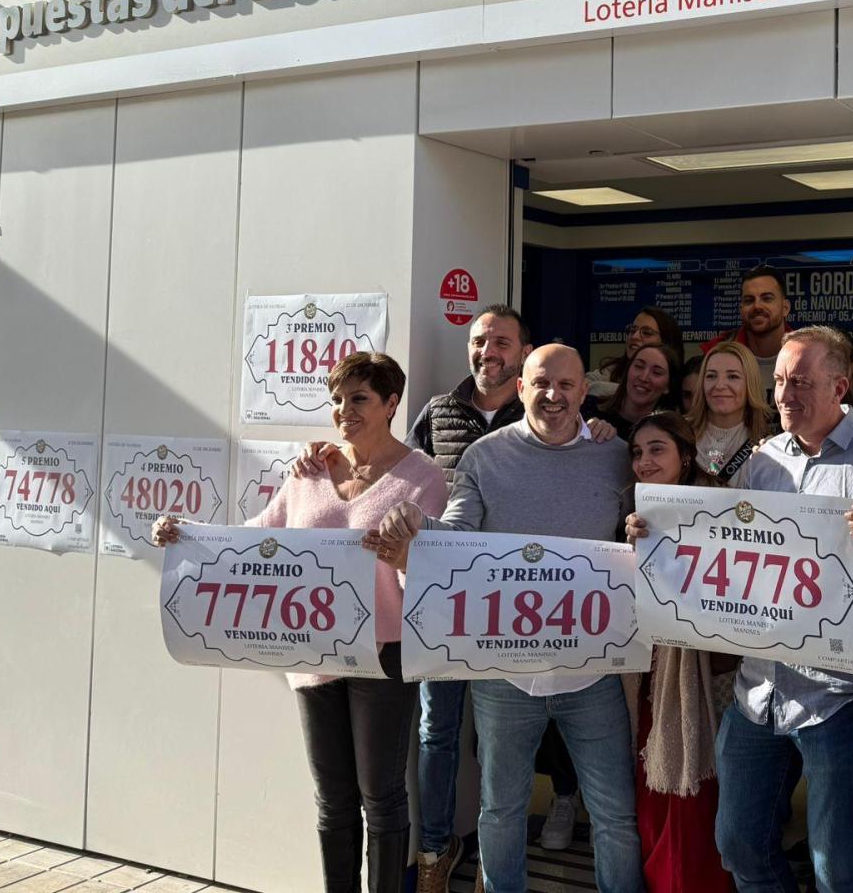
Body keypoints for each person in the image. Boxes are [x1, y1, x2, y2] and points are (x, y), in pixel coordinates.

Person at [626, 325, 853, 893]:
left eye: (801, 383)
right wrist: (657, 532)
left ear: (841, 386)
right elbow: (726, 544)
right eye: (781, 381)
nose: (785, 395)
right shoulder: (764, 462)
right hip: (761, 686)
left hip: (845, 693)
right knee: (737, 842)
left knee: (838, 864)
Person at [153, 351, 448, 893]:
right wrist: (186, 533)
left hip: (384, 653)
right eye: (337, 400)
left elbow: (430, 579)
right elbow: (253, 540)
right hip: (311, 652)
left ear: (390, 404)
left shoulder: (423, 478)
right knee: (333, 797)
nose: (343, 410)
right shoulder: (308, 472)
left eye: (358, 398)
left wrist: (401, 555)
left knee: (380, 795)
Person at [376, 345, 644, 893]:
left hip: (592, 674)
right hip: (505, 674)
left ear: (584, 392)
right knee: (500, 812)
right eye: (542, 383)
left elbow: (648, 530)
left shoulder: (613, 455)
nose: (554, 395)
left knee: (616, 815)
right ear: (521, 387)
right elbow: (458, 534)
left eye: (567, 385)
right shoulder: (482, 456)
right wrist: (416, 527)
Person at [620, 412, 736, 893]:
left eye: (657, 450)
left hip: (704, 678)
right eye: (637, 452)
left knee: (697, 797)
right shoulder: (630, 511)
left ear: (685, 456)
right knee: (653, 793)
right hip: (649, 674)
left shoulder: (722, 508)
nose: (644, 461)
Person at [686, 340, 775, 486]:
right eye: (711, 376)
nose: (719, 385)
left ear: (750, 384)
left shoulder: (768, 447)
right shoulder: (678, 435)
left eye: (732, 377)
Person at [701, 264, 793, 404]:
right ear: (741, 309)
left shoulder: (808, 354)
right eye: (749, 300)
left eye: (767, 298)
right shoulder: (714, 354)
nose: (757, 306)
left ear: (785, 308)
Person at [592, 307, 682, 400]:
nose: (634, 336)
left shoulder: (682, 387)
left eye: (646, 333)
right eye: (632, 330)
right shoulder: (613, 369)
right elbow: (585, 386)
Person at [595, 342, 681, 434]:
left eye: (656, 372)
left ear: (668, 386)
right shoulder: (587, 408)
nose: (643, 378)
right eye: (639, 366)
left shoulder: (669, 433)